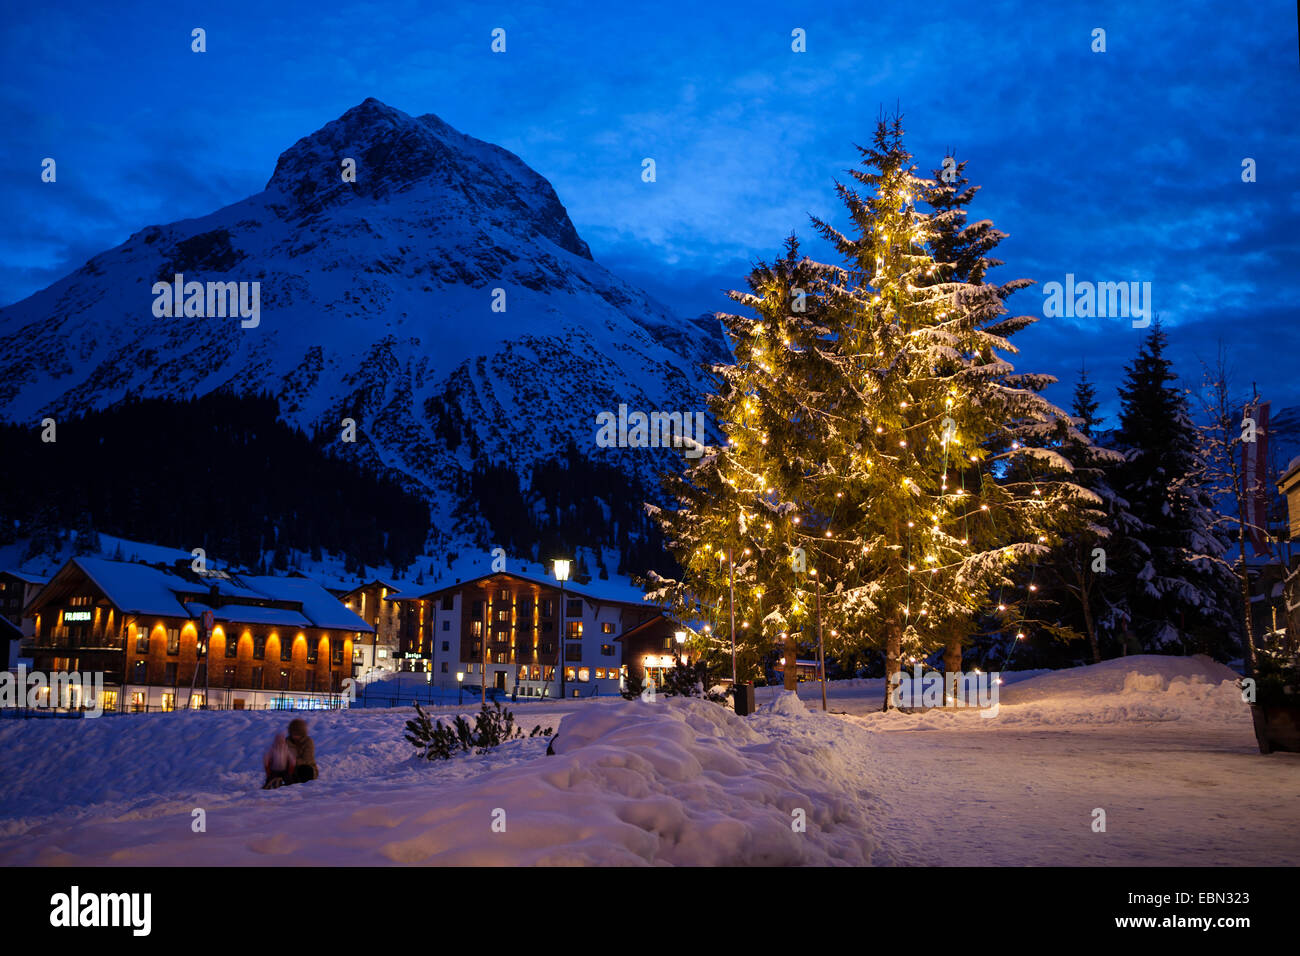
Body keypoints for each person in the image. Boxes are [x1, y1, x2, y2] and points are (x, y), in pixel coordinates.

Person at [286, 718, 318, 783]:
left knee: (305, 769)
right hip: (291, 769)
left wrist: (293, 761)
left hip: (306, 768)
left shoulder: (308, 742)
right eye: (293, 733)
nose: (295, 736)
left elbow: (307, 760)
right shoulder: (287, 741)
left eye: (297, 734)